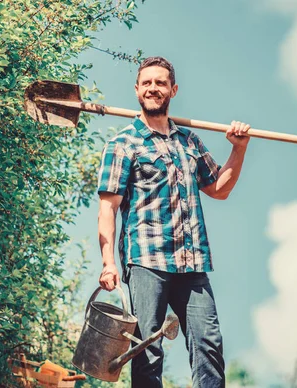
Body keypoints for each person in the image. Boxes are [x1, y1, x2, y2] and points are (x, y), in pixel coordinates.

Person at [96, 56, 250, 388]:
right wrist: (109, 262)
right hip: (146, 262)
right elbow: (107, 208)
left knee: (208, 344)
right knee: (147, 350)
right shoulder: (123, 144)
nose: (154, 88)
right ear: (137, 89)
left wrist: (238, 149)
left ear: (173, 90)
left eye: (161, 82)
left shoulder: (189, 142)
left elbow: (219, 189)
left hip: (192, 262)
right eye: (147, 82)